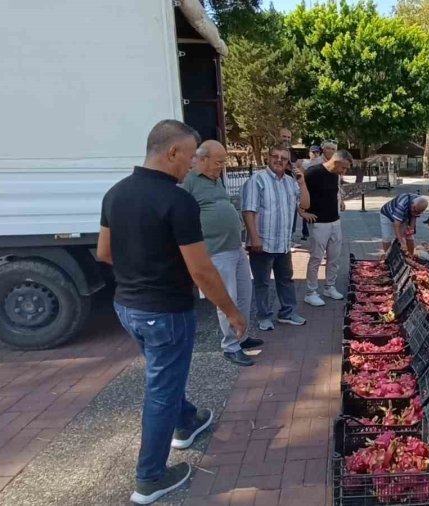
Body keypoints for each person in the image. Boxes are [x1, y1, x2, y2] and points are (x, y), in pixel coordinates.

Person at [98, 120, 247, 504]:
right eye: (191, 156)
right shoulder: (178, 200)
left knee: (164, 372)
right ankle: (149, 479)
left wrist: (141, 270)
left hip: (127, 307)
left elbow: (105, 253)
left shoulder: (115, 194)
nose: (192, 164)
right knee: (161, 389)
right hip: (164, 310)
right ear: (172, 153)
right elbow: (201, 269)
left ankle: (187, 421)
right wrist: (231, 311)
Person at [181, 140, 261, 367]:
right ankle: (231, 346)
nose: (222, 167)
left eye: (223, 162)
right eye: (218, 162)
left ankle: (242, 337)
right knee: (228, 299)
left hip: (235, 247)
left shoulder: (216, 179)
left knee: (245, 295)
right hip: (216, 250)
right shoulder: (189, 182)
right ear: (202, 159)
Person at [242, 145, 310, 332]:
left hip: (282, 242)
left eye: (284, 158)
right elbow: (248, 211)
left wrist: (302, 182)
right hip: (262, 242)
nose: (279, 160)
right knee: (262, 282)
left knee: (286, 279)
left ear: (288, 162)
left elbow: (305, 205)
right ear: (268, 158)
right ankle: (264, 316)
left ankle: (287, 313)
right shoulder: (257, 181)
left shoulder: (290, 182)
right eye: (275, 156)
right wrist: (254, 238)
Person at [302, 150, 352, 307]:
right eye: (343, 168)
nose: (344, 172)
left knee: (334, 258)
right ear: (336, 163)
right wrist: (302, 212)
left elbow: (336, 191)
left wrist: (341, 201)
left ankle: (329, 287)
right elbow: (298, 192)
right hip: (318, 222)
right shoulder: (313, 173)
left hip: (335, 221)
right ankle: (311, 292)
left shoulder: (335, 175)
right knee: (316, 258)